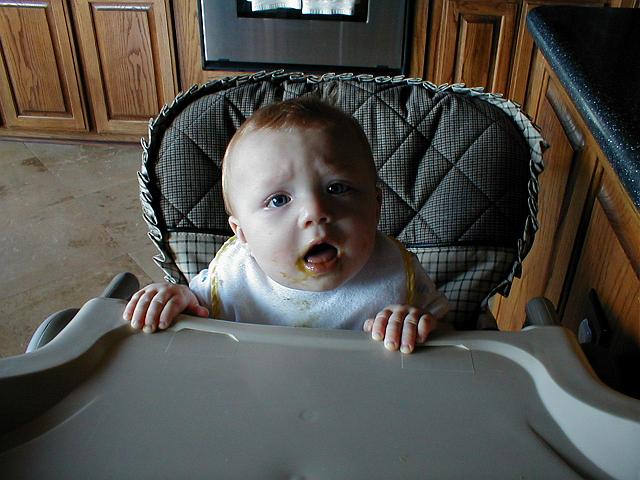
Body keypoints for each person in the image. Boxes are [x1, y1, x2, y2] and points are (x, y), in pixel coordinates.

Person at [124, 96, 449, 354]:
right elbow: (196, 317)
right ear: (242, 234)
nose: (315, 212)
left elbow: (456, 342)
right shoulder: (233, 278)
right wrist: (176, 300)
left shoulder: (397, 274)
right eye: (278, 200)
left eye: (337, 188)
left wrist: (421, 326)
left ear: (376, 206)